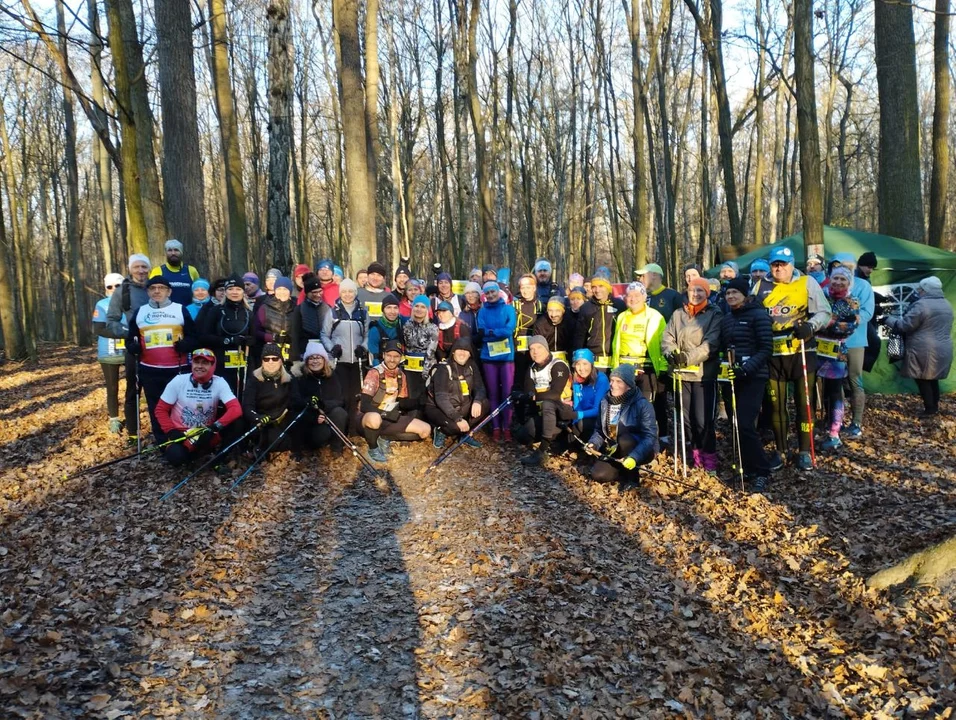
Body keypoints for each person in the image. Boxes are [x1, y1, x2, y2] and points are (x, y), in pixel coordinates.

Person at [751, 245, 832, 470]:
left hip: (801, 351)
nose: (778, 269)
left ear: (791, 265)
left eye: (783, 265)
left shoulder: (807, 282)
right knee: (776, 406)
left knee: (804, 403)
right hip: (773, 353)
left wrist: (810, 326)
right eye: (775, 264)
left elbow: (825, 312)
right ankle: (780, 450)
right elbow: (750, 312)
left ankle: (804, 450)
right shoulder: (760, 285)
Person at [662, 277, 723, 473]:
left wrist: (687, 357)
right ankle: (696, 456)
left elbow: (711, 344)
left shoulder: (714, 314)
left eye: (700, 291)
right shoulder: (678, 314)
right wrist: (672, 354)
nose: (695, 294)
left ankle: (710, 459)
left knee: (703, 420)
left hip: (703, 375)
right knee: (686, 420)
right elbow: (667, 338)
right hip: (681, 375)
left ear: (707, 293)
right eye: (692, 290)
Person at [127, 276, 198, 442]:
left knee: (180, 406)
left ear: (169, 291)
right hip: (150, 370)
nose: (157, 291)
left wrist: (185, 345)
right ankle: (163, 442)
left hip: (177, 369)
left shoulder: (180, 309)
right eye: (153, 288)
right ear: (148, 292)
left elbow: (194, 337)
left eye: (161, 288)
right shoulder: (140, 312)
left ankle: (183, 440)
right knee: (156, 408)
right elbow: (130, 339)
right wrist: (133, 347)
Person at [719, 276, 773, 492]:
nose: (731, 297)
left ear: (745, 295)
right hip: (732, 377)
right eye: (728, 293)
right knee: (735, 424)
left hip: (753, 376)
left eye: (735, 293)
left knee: (745, 424)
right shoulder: (727, 319)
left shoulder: (758, 315)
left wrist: (747, 368)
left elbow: (766, 348)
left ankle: (762, 470)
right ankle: (748, 467)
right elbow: (725, 348)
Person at [153, 348, 243, 466]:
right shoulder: (179, 381)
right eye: (196, 362)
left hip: (207, 433)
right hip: (182, 435)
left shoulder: (219, 382)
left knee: (238, 422)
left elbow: (236, 409)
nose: (199, 366)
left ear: (212, 366)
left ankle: (217, 457)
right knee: (176, 456)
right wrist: (171, 431)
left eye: (205, 363)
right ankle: (195, 454)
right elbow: (160, 410)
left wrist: (214, 428)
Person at [883, 276, 954, 417]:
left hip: (923, 348)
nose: (919, 291)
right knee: (933, 378)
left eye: (921, 289)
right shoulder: (946, 304)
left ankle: (929, 409)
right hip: (943, 347)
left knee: (922, 379)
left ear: (926, 290)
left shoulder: (922, 305)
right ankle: (934, 406)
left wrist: (888, 319)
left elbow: (905, 325)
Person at [585, 364, 658, 486]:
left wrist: (634, 457)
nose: (613, 385)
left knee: (625, 439)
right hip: (615, 448)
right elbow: (599, 430)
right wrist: (593, 443)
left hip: (640, 449)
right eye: (612, 380)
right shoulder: (605, 401)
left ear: (629, 386)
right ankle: (621, 468)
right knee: (598, 475)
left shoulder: (642, 404)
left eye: (619, 382)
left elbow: (650, 437)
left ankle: (633, 480)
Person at [105, 254, 152, 444]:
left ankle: (162, 431)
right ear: (131, 269)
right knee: (133, 391)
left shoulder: (156, 288)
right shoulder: (122, 291)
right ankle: (133, 434)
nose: (141, 271)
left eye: (144, 267)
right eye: (137, 267)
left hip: (158, 348)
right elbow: (111, 321)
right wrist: (129, 334)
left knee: (158, 391)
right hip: (134, 348)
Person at [360, 340, 432, 463]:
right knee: (375, 419)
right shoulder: (374, 373)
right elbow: (364, 405)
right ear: (383, 355)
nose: (392, 360)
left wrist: (420, 400)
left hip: (389, 418)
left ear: (401, 358)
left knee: (425, 430)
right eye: (389, 355)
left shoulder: (401, 375)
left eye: (396, 356)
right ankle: (373, 448)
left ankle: (383, 437)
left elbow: (402, 403)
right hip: (370, 417)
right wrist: (384, 414)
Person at [830, 252, 874, 437]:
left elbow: (867, 312)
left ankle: (856, 422)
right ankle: (835, 422)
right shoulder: (829, 285)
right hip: (832, 340)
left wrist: (850, 321)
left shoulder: (863, 285)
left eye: (848, 265)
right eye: (839, 265)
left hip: (855, 340)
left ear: (854, 266)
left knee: (855, 379)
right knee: (835, 381)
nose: (844, 268)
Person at [816, 267, 861, 451]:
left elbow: (850, 327)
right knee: (815, 389)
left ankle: (834, 432)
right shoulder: (822, 296)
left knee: (835, 392)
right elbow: (812, 318)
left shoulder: (852, 301)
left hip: (837, 352)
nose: (838, 282)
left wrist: (827, 323)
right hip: (815, 349)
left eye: (843, 279)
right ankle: (815, 426)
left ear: (849, 282)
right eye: (835, 278)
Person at [513, 336, 574, 465]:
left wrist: (532, 397)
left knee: (548, 403)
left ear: (546, 349)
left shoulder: (558, 365)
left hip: (563, 413)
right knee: (522, 435)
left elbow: (555, 394)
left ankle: (542, 451)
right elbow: (529, 393)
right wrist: (522, 396)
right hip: (544, 416)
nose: (535, 352)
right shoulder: (532, 368)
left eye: (539, 347)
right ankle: (551, 438)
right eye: (532, 349)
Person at [321, 278, 368, 433]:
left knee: (356, 396)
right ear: (340, 293)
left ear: (355, 293)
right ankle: (342, 429)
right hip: (339, 360)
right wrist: (332, 348)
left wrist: (364, 347)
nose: (348, 295)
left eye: (351, 291)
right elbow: (324, 334)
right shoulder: (333, 311)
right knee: (342, 396)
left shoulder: (362, 312)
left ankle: (355, 430)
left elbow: (368, 334)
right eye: (344, 292)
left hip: (357, 360)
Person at [425, 337, 489, 448]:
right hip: (439, 408)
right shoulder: (444, 369)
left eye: (466, 350)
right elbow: (441, 399)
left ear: (470, 354)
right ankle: (441, 431)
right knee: (454, 427)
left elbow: (480, 388)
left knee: (485, 404)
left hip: (461, 405)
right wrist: (457, 418)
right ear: (453, 351)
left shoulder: (471, 366)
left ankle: (464, 434)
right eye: (459, 349)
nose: (462, 353)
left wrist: (477, 401)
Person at [612, 281, 667, 409]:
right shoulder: (621, 317)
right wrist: (615, 368)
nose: (633, 299)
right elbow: (616, 344)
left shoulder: (655, 316)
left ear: (644, 297)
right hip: (625, 370)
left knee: (646, 407)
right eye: (630, 296)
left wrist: (663, 368)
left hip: (647, 369)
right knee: (625, 407)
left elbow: (663, 343)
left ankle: (655, 429)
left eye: (637, 295)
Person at [198, 275, 253, 397]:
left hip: (243, 363)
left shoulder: (248, 313)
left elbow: (255, 337)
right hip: (221, 364)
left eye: (238, 289)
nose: (234, 292)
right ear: (226, 291)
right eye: (230, 289)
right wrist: (228, 340)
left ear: (243, 292)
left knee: (242, 397)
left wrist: (250, 341)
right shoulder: (216, 311)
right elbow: (204, 337)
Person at [475, 281, 517, 441]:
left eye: (493, 292)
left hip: (507, 358)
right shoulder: (482, 311)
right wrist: (496, 332)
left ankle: (507, 427)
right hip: (488, 357)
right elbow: (481, 332)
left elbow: (509, 330)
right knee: (493, 394)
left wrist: (491, 332)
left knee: (507, 393)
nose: (491, 295)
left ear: (498, 292)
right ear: (484, 295)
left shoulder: (508, 309)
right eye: (488, 293)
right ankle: (496, 427)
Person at [292, 342, 348, 452]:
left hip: (328, 413)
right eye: (311, 358)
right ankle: (310, 449)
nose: (315, 361)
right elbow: (295, 402)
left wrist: (324, 406)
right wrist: (313, 412)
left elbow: (339, 400)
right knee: (322, 435)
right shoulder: (300, 377)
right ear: (307, 361)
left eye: (318, 358)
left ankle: (337, 449)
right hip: (310, 418)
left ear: (324, 360)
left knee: (340, 413)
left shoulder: (332, 376)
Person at [242, 342, 295, 454]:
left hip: (282, 420)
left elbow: (296, 401)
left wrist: (309, 401)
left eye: (274, 359)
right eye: (266, 359)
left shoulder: (289, 379)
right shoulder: (254, 379)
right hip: (263, 422)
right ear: (262, 361)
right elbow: (247, 405)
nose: (270, 362)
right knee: (276, 441)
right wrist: (257, 417)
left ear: (281, 360)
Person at [93, 272, 128, 434]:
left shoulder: (131, 302)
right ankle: (114, 420)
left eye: (117, 286)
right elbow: (99, 329)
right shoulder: (101, 304)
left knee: (134, 386)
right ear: (106, 288)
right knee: (112, 387)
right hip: (108, 352)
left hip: (130, 350)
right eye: (109, 286)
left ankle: (131, 414)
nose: (114, 289)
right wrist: (123, 333)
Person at [575, 275, 621, 372]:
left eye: (601, 286)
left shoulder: (620, 305)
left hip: (615, 359)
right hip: (594, 360)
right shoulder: (586, 308)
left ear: (608, 288)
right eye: (594, 287)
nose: (597, 290)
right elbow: (580, 336)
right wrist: (577, 358)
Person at [402, 294, 439, 403]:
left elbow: (431, 351)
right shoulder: (406, 325)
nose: (419, 309)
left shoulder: (433, 328)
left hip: (425, 368)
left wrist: (426, 371)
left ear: (427, 310)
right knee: (410, 398)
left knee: (424, 399)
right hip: (409, 368)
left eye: (423, 307)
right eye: (416, 306)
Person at [252, 276, 296, 368]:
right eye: (279, 289)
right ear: (275, 290)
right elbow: (255, 331)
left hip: (291, 353)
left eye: (285, 289)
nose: (282, 292)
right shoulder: (265, 307)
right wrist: (272, 337)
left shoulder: (297, 307)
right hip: (270, 353)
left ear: (290, 291)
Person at [570, 348, 610, 445]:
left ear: (591, 364)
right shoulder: (576, 379)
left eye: (585, 364)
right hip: (581, 416)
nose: (581, 368)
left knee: (580, 425)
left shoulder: (601, 380)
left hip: (599, 420)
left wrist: (576, 415)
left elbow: (598, 410)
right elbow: (577, 405)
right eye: (578, 364)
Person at [149, 239, 200, 306]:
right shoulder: (157, 271)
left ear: (181, 252)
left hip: (188, 313)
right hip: (165, 313)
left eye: (176, 250)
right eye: (170, 250)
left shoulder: (191, 270)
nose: (173, 253)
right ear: (166, 253)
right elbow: (151, 293)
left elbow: (199, 292)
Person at [291, 276, 331, 360]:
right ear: (307, 293)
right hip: (305, 351)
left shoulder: (328, 308)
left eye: (320, 291)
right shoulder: (299, 310)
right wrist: (296, 356)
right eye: (314, 292)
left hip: (324, 350)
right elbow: (295, 334)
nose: (318, 295)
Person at [513, 274, 543, 383]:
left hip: (535, 348)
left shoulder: (541, 306)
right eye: (522, 287)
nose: (525, 291)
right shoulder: (514, 305)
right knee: (519, 378)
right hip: (518, 349)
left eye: (528, 287)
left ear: (534, 288)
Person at [533, 296, 574, 364]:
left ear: (563, 311)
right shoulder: (540, 324)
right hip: (546, 359)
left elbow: (574, 345)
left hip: (567, 360)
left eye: (557, 311)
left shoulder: (570, 323)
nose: (553, 315)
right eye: (550, 311)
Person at [367, 294, 405, 364]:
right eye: (389, 308)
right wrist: (379, 372)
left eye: (395, 308)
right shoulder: (375, 329)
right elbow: (374, 356)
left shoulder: (402, 324)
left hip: (399, 366)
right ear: (383, 310)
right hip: (381, 366)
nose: (392, 311)